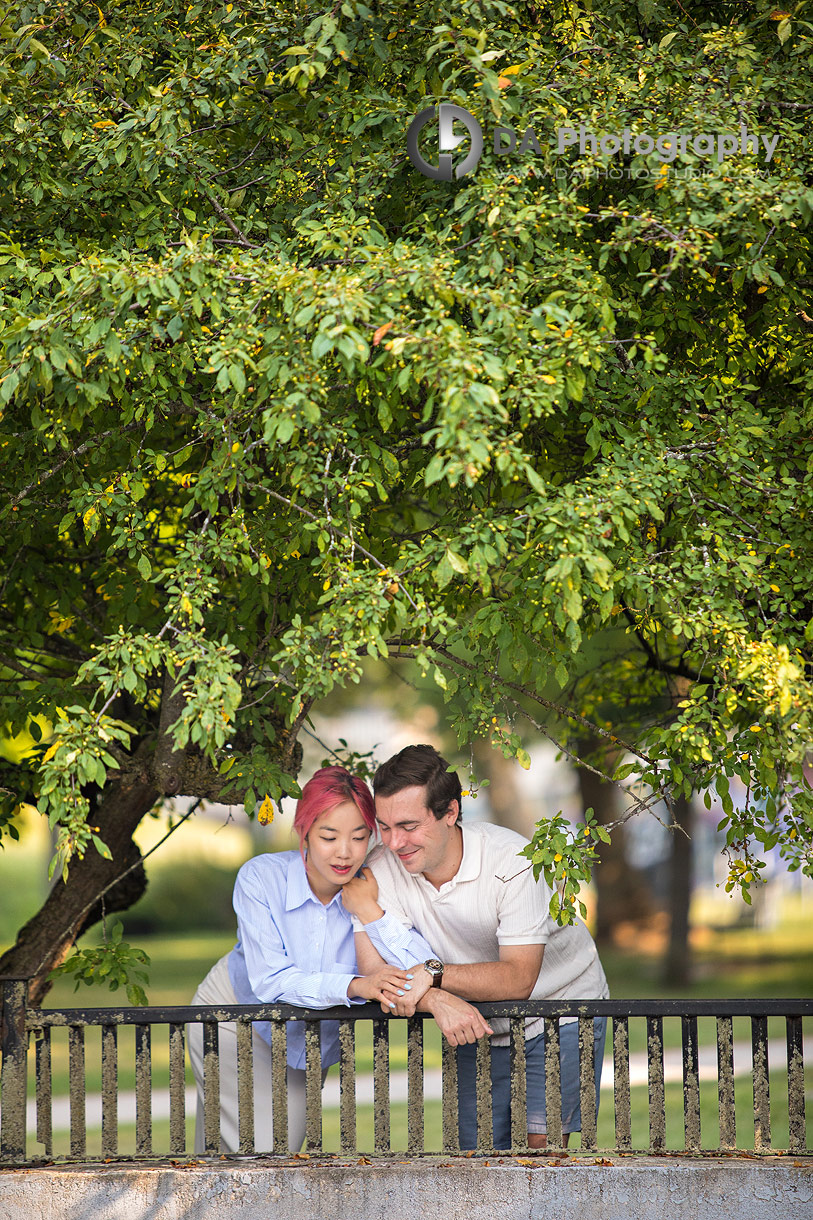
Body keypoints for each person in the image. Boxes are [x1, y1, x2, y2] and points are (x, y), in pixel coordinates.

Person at [341, 744, 609, 1151]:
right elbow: (376, 973)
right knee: (476, 1153)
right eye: (385, 826)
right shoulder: (380, 870)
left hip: (561, 1006)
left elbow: (518, 978)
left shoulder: (512, 862)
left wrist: (431, 975)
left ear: (450, 812)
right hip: (472, 1015)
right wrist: (437, 999)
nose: (394, 842)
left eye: (409, 826)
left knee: (542, 1149)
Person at [187, 765, 412, 1154]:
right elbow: (272, 981)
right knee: (252, 1153)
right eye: (329, 837)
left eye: (359, 837)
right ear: (303, 832)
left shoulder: (377, 885)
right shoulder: (261, 878)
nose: (345, 852)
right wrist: (356, 986)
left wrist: (368, 910)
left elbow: (416, 961)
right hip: (232, 1017)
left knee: (273, 1149)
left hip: (304, 1038)